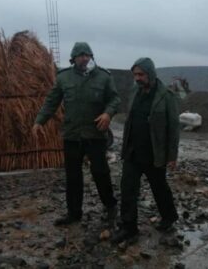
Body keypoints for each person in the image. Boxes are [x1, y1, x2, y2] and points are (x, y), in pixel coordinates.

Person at [33, 42, 120, 226]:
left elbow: (114, 99)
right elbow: (51, 101)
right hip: (72, 135)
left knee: (100, 172)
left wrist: (107, 113)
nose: (85, 58)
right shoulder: (64, 78)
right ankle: (73, 213)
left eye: (87, 55)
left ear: (92, 57)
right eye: (81, 55)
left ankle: (111, 207)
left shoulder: (103, 77)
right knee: (73, 176)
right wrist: (39, 121)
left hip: (95, 135)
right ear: (73, 59)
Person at [112, 57, 180, 243]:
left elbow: (174, 128)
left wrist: (172, 156)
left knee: (159, 188)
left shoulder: (166, 96)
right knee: (128, 189)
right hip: (133, 151)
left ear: (150, 74)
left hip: (154, 153)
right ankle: (129, 227)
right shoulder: (135, 92)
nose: (137, 78)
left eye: (141, 74)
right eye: (135, 75)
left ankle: (169, 216)